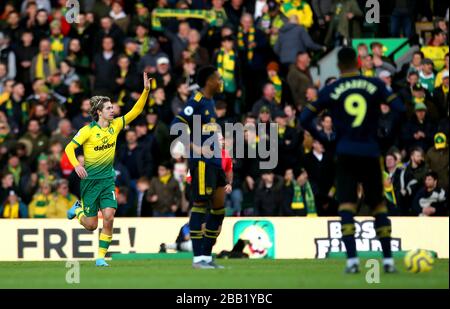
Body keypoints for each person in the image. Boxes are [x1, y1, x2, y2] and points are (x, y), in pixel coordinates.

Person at [300, 48, 405, 274]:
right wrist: (385, 139)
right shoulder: (375, 84)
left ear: (338, 66)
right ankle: (387, 261)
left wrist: (326, 140)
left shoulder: (331, 89)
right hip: (370, 151)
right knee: (378, 204)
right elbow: (401, 109)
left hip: (345, 151)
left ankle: (352, 262)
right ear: (358, 62)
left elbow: (305, 118)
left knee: (346, 204)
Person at [65, 72, 151, 267]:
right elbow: (69, 148)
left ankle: (100, 257)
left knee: (110, 217)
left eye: (112, 107)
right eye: (109, 108)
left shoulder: (116, 125)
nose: (113, 110)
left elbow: (135, 111)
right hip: (90, 182)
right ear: (99, 112)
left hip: (107, 181)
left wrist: (145, 91)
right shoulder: (87, 130)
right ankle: (77, 211)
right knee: (91, 225)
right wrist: (77, 165)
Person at [171, 66, 231, 269]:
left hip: (215, 162)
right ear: (209, 81)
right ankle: (198, 259)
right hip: (202, 163)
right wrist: (195, 147)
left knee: (219, 210)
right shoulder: (196, 101)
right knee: (200, 206)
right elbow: (176, 124)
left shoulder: (211, 101)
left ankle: (206, 256)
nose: (220, 81)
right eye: (218, 78)